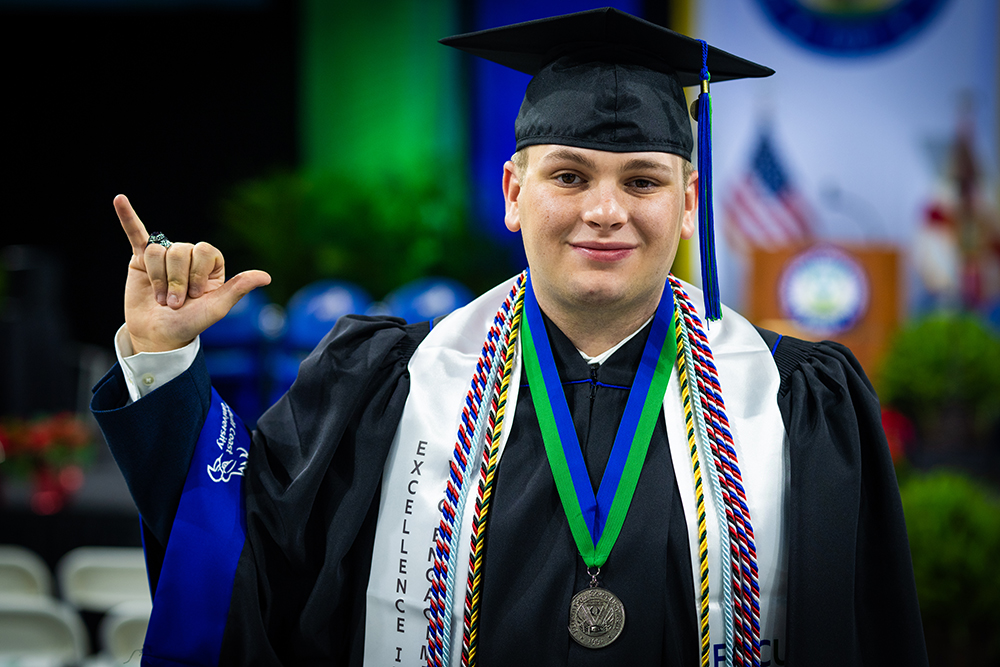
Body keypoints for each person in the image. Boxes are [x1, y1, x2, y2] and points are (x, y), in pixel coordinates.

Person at [92, 7, 927, 667]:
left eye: (642, 180)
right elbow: (240, 552)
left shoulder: (794, 403)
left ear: (686, 202)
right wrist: (164, 359)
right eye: (570, 176)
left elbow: (868, 631)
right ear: (513, 192)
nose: (605, 210)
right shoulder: (390, 385)